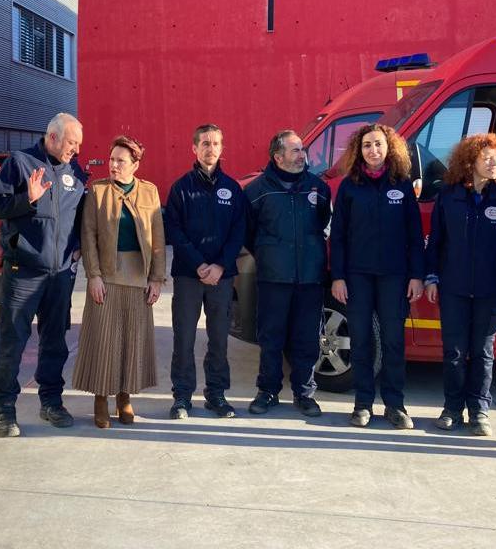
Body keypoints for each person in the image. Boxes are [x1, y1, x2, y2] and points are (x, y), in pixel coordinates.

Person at [0, 113, 86, 437]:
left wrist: (81, 247)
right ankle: (4, 408)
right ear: (53, 137)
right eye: (72, 143)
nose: (76, 150)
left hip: (60, 273)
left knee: (55, 341)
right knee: (13, 342)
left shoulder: (75, 170)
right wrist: (27, 200)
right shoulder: (20, 163)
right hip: (23, 271)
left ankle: (51, 402)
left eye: (79, 144)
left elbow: (81, 215)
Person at [424, 133, 496, 436]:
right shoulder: (448, 196)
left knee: (483, 352)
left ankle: (480, 410)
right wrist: (432, 277)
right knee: (453, 352)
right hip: (453, 287)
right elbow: (436, 242)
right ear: (470, 161)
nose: (493, 163)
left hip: (491, 290)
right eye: (486, 158)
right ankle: (452, 408)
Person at [331, 124, 424, 429]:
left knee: (394, 341)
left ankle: (395, 405)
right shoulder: (349, 187)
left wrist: (416, 276)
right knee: (361, 341)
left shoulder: (401, 184)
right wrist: (338, 277)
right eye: (367, 145)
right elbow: (340, 237)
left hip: (394, 277)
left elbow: (414, 234)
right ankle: (362, 404)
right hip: (357, 277)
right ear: (360, 149)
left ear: (389, 148)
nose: (373, 150)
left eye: (379, 145)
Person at [73, 136, 166, 427]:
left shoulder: (149, 192)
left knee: (131, 341)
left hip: (139, 277)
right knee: (104, 340)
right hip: (107, 276)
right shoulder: (97, 191)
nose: (113, 165)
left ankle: (124, 398)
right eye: (112, 159)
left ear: (135, 165)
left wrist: (157, 278)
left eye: (121, 161)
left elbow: (159, 239)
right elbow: (88, 236)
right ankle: (101, 398)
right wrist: (94, 275)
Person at [244, 130, 331, 418]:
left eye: (302, 150)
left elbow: (324, 225)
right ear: (277, 156)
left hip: (310, 277)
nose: (302, 155)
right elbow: (247, 232)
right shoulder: (257, 191)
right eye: (295, 150)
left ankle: (305, 393)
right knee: (271, 338)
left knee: (307, 338)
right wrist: (271, 254)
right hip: (274, 278)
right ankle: (267, 391)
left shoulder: (318, 188)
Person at [164, 124, 246, 419]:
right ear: (194, 149)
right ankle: (182, 397)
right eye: (205, 144)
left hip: (221, 277)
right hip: (189, 275)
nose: (211, 149)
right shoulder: (181, 188)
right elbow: (174, 230)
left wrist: (220, 265)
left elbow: (239, 231)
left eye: (216, 144)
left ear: (222, 148)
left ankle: (216, 394)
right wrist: (199, 264)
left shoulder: (232, 189)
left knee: (219, 338)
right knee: (184, 338)